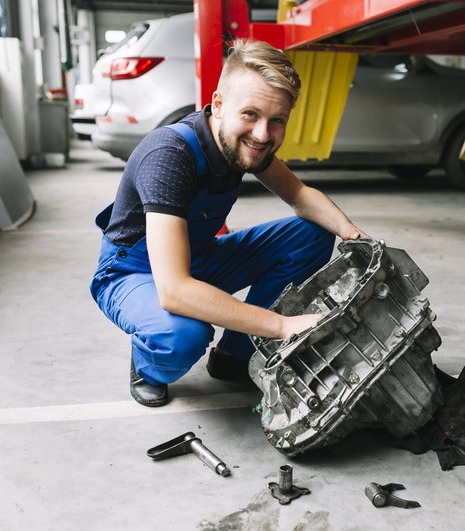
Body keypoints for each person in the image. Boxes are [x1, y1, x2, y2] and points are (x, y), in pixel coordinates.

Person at [90, 39, 368, 407]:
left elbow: (299, 195)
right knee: (183, 335)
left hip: (198, 257)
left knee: (312, 233)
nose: (263, 134)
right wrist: (283, 326)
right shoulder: (169, 156)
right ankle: (148, 364)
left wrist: (356, 236)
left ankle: (236, 354)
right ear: (218, 105)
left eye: (277, 121)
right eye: (250, 115)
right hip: (135, 273)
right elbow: (173, 289)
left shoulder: (249, 145)